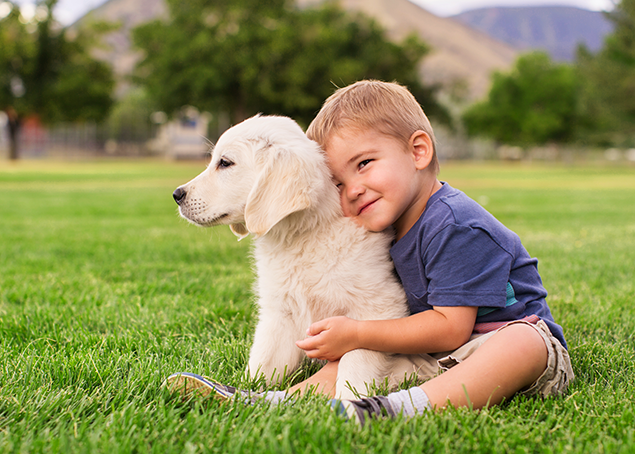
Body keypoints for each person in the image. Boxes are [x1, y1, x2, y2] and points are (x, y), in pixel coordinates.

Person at [168, 80, 572, 424]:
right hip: (432, 354)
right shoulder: (385, 220)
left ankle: (396, 409)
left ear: (418, 152)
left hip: (501, 342)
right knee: (347, 362)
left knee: (521, 343)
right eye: (339, 183)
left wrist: (359, 332)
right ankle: (273, 400)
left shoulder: (457, 224)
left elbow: (453, 328)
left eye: (364, 164)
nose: (354, 189)